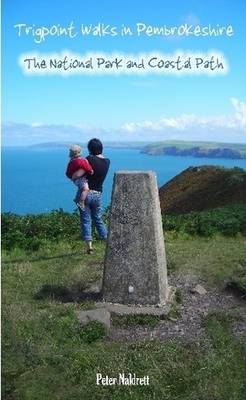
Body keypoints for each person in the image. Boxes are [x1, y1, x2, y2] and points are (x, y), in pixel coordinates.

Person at [73, 138, 110, 254]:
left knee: (85, 220)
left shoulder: (89, 159)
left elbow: (78, 174)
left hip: (85, 193)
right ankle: (107, 240)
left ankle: (89, 246)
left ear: (90, 149)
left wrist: (73, 176)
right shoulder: (107, 161)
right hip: (98, 194)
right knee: (98, 218)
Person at [66, 144, 93, 210]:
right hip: (80, 179)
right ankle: (81, 201)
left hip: (75, 180)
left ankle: (77, 198)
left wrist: (71, 177)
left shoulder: (71, 162)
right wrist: (91, 171)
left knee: (81, 188)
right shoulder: (81, 161)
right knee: (86, 189)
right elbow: (86, 167)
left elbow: (68, 172)